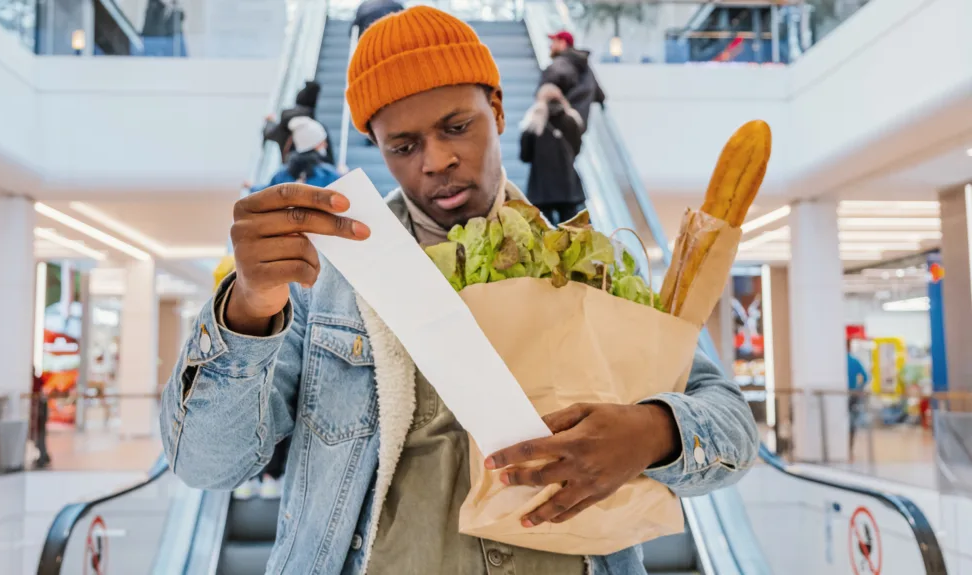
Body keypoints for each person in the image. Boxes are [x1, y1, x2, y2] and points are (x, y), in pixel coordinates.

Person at [160, 7, 758, 575]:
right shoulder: (325, 281)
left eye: (456, 126)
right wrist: (249, 310)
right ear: (377, 145)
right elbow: (207, 463)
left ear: (497, 110)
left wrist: (655, 432)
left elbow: (730, 422)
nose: (437, 160)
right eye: (404, 146)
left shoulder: (591, 264)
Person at [519, 83, 585, 226]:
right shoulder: (572, 119)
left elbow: (524, 156)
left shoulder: (532, 122)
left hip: (542, 187)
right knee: (571, 232)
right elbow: (577, 150)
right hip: (567, 185)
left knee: (544, 231)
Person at [540, 30, 606, 133]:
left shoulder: (560, 64)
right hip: (579, 125)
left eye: (554, 42)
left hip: (560, 125)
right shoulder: (585, 67)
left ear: (562, 43)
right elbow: (599, 94)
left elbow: (545, 88)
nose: (550, 46)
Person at [847, 352, 869, 460]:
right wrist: (858, 389)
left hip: (841, 395)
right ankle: (849, 450)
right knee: (851, 423)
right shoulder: (854, 361)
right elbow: (865, 377)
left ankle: (843, 449)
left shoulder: (836, 361)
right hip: (852, 395)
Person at [31, 368, 50, 468]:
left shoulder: (35, 381)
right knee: (38, 437)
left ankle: (43, 456)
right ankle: (43, 455)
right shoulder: (35, 381)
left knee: (40, 436)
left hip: (39, 415)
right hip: (36, 416)